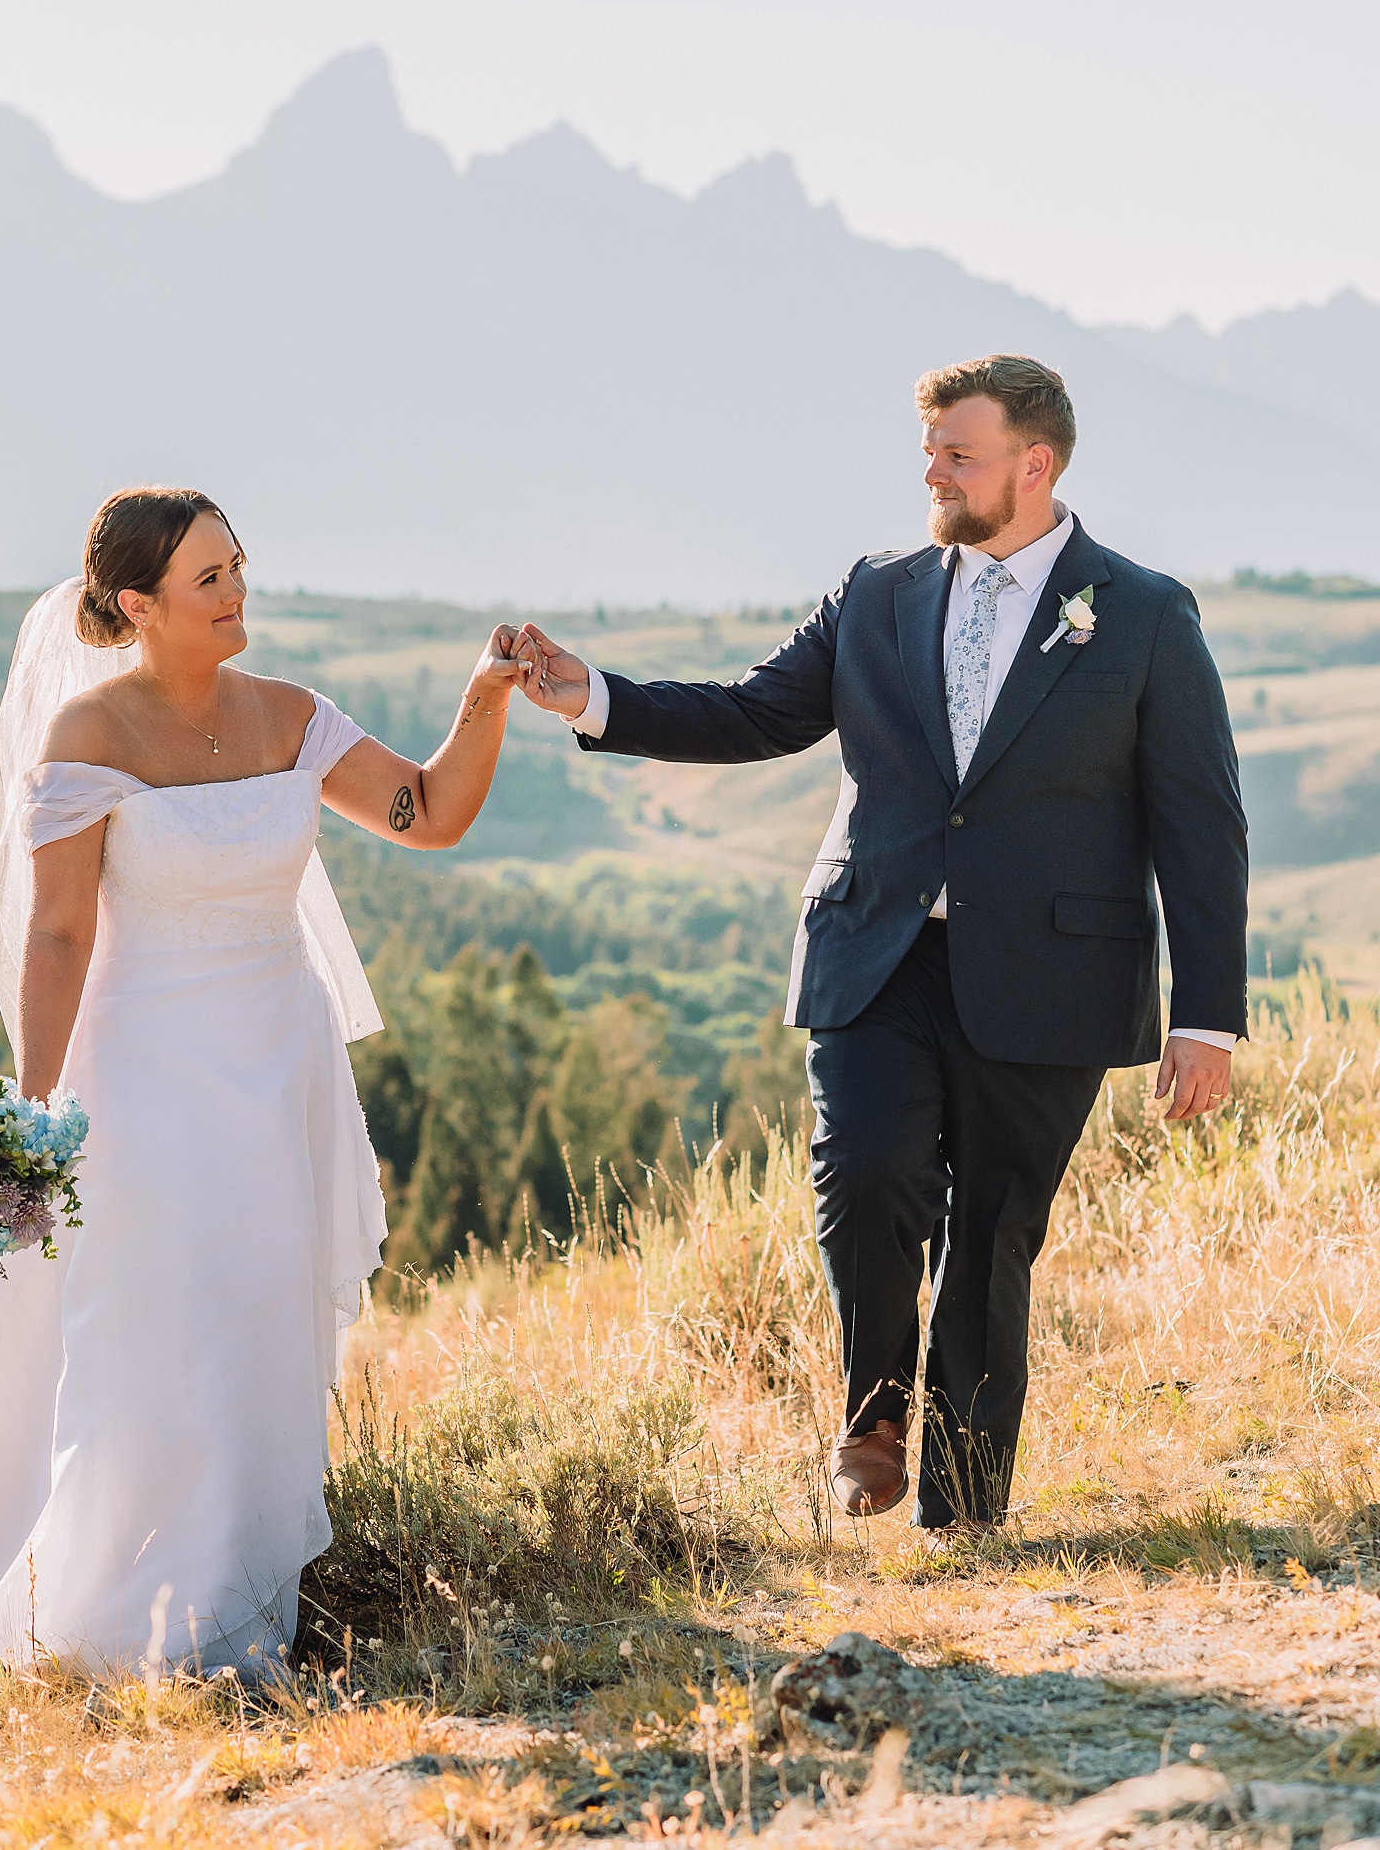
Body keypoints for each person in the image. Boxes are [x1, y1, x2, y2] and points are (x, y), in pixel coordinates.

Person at [0, 486, 520, 1681]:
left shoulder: (293, 716)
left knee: (263, 1322)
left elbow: (429, 812)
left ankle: (235, 1606)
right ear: (138, 604)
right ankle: (113, 1628)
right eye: (209, 579)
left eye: (238, 566)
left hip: (278, 1063)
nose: (238, 593)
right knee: (161, 1331)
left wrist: (479, 703)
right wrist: (33, 1113)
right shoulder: (86, 737)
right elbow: (60, 937)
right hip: (142, 1077)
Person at [513, 356, 1247, 1535]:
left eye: (957, 452)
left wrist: (1204, 1015)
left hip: (1053, 972)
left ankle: (962, 1509)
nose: (933, 471)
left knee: (993, 1230)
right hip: (874, 952)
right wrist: (593, 695)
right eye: (929, 451)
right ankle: (872, 1414)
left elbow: (1199, 818)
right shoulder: (877, 590)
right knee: (863, 1176)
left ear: (1033, 462)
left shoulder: (1144, 614)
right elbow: (757, 712)